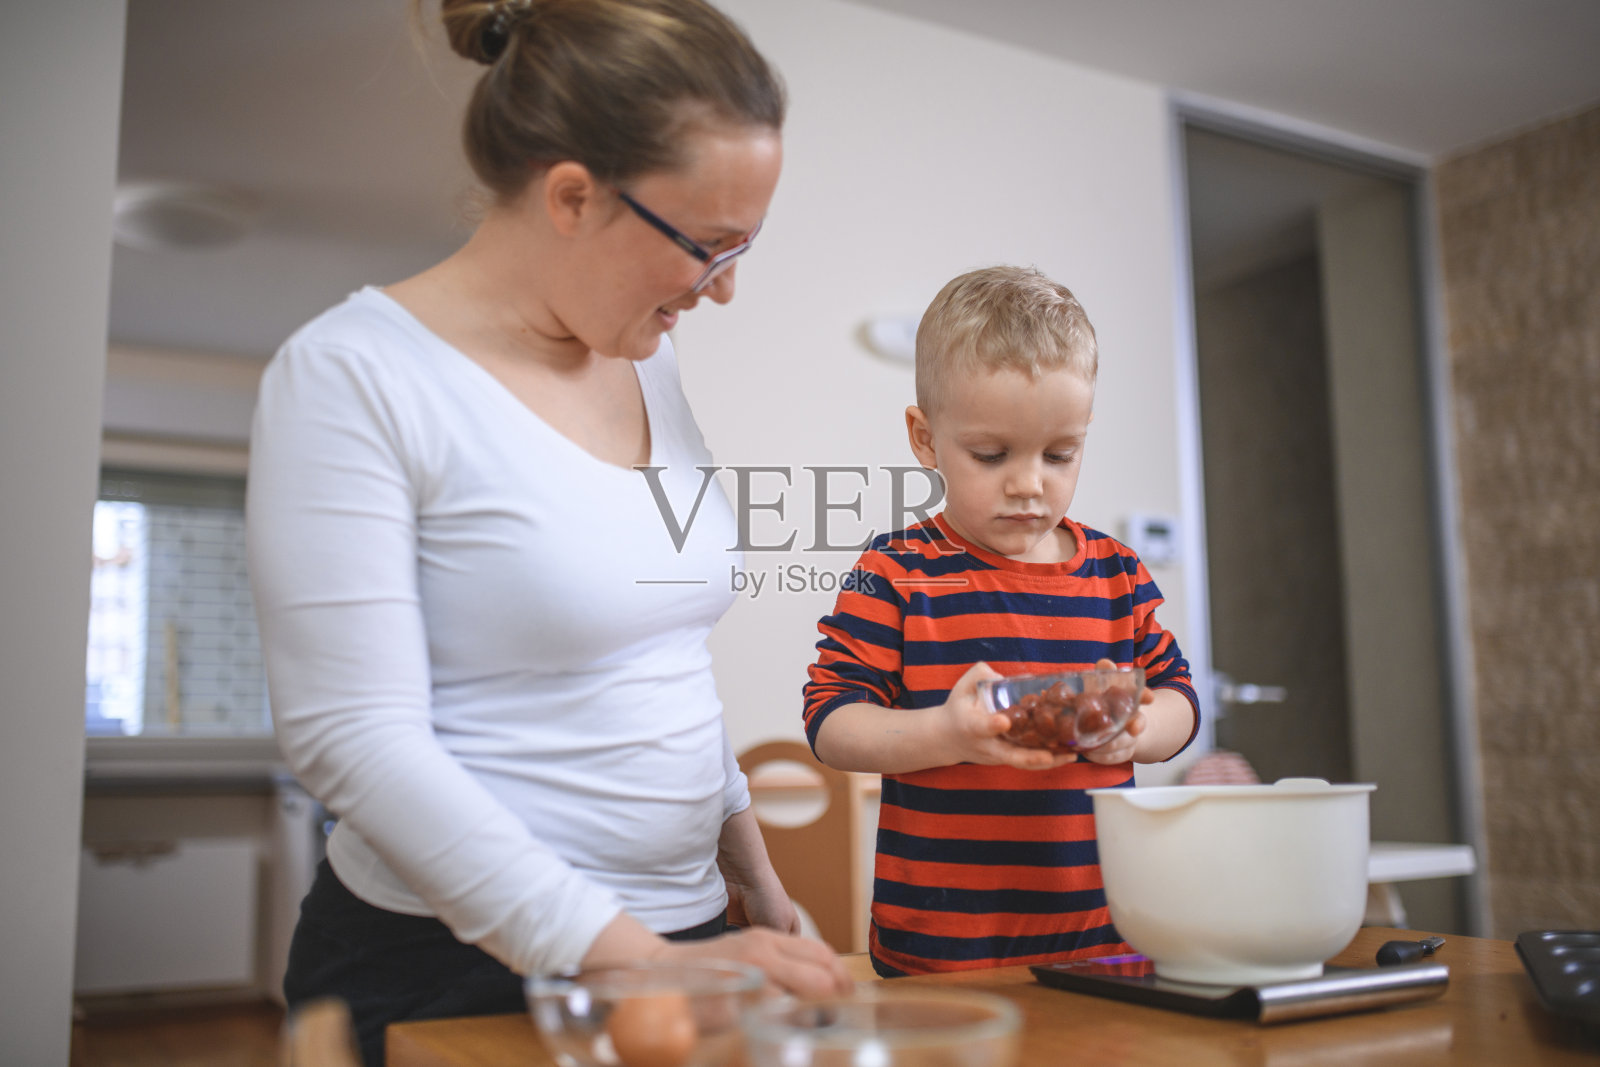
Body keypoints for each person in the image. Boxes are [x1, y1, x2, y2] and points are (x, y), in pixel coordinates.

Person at [247, 1, 850, 1060]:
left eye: (744, 244)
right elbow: (353, 739)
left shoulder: (645, 358)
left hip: (683, 935)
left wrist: (750, 874)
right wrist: (631, 956)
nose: (726, 289)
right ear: (572, 195)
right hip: (449, 960)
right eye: (708, 246)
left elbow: (662, 651)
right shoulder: (353, 371)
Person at [802, 265, 1202, 977]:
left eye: (1060, 454)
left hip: (1104, 943)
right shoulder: (894, 570)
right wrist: (945, 733)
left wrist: (1137, 727)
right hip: (941, 952)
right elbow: (830, 721)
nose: (1029, 483)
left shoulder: (1118, 573)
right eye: (991, 455)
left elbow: (1180, 697)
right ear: (925, 439)